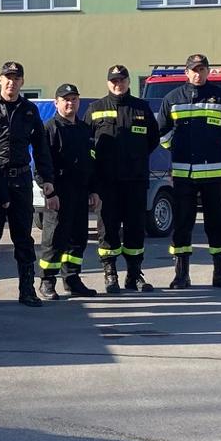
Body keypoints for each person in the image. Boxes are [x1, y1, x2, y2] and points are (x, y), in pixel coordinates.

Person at [156, 53, 221, 291]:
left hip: (214, 174)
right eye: (194, 69)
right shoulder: (172, 98)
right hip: (184, 174)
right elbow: (162, 133)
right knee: (182, 224)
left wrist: (211, 144)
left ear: (208, 71)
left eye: (202, 69)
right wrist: (177, 147)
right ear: (186, 72)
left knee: (218, 223)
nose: (198, 73)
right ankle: (181, 276)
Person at [0, 61, 56, 307]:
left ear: (22, 82)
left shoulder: (29, 110)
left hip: (20, 179)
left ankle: (27, 290)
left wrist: (46, 180)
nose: (11, 82)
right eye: (7, 77)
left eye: (16, 78)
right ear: (0, 80)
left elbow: (42, 149)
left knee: (23, 238)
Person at [88, 64, 161, 293]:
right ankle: (110, 275)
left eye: (122, 80)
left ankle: (134, 274)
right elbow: (87, 144)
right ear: (108, 83)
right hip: (106, 183)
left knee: (135, 228)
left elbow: (153, 140)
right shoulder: (95, 109)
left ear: (129, 82)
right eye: (114, 81)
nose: (118, 85)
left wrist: (134, 160)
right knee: (107, 229)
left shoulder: (142, 108)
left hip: (135, 181)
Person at [36, 83, 100, 300]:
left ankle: (72, 279)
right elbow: (43, 164)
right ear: (56, 103)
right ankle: (47, 281)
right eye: (65, 99)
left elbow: (91, 163)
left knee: (78, 238)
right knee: (54, 239)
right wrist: (49, 192)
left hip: (81, 192)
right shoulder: (50, 128)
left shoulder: (84, 130)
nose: (70, 103)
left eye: (74, 99)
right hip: (59, 193)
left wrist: (93, 190)